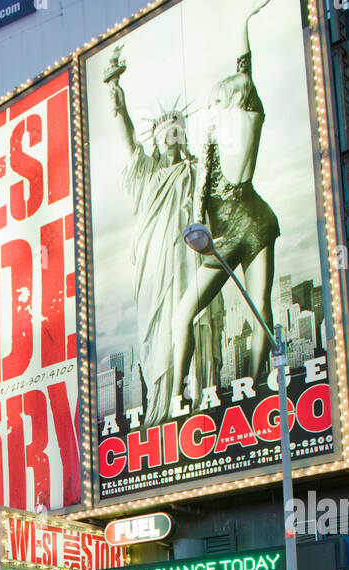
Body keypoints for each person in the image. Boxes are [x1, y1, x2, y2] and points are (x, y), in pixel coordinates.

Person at [171, 0, 279, 401]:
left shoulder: (247, 117)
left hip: (250, 224)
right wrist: (196, 230)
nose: (211, 109)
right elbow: (200, 192)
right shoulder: (216, 137)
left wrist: (243, 23)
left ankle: (254, 387)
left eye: (218, 101)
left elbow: (244, 73)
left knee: (259, 310)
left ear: (234, 102)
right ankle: (178, 396)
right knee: (185, 314)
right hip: (228, 233)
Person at [105, 46, 203, 426]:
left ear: (182, 137)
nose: (168, 140)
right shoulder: (146, 175)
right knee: (155, 333)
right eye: (162, 135)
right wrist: (119, 104)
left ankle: (187, 396)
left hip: (187, 259)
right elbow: (129, 141)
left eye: (174, 133)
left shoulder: (194, 172)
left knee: (188, 321)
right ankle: (161, 405)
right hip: (152, 265)